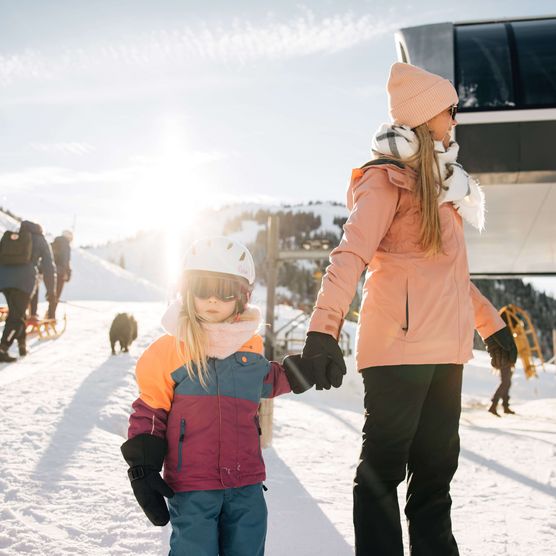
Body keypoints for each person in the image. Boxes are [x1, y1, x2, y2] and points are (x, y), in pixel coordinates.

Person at [296, 62, 518, 555]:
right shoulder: (384, 180)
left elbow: (451, 279)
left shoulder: (445, 187)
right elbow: (350, 254)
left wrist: (492, 326)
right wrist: (322, 330)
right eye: (449, 112)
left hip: (446, 353)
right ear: (423, 116)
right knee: (382, 473)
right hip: (396, 350)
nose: (455, 122)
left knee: (436, 478)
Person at [121, 237, 312, 556]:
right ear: (186, 291)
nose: (212, 298)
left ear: (242, 297)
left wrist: (305, 370)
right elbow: (150, 411)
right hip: (193, 486)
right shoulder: (172, 349)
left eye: (224, 290)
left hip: (247, 484)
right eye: (202, 288)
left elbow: (268, 379)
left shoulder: (249, 349)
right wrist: (143, 466)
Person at [0, 220, 56, 362]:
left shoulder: (16, 235)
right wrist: (51, 291)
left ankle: (22, 345)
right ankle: (2, 348)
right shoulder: (40, 239)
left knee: (17, 312)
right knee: (16, 316)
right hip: (24, 281)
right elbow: (49, 266)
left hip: (4, 280)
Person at [488, 310, 519, 416]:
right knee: (505, 382)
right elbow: (510, 346)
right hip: (504, 359)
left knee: (506, 382)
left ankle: (505, 406)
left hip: (504, 359)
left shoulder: (499, 327)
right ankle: (494, 405)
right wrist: (512, 359)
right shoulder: (504, 330)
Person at [49, 229, 73, 319]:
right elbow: (66, 261)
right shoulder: (66, 246)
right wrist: (68, 273)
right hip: (60, 273)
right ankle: (51, 316)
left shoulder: (54, 242)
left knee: (51, 294)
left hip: (50, 272)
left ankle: (49, 314)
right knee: (56, 295)